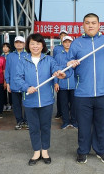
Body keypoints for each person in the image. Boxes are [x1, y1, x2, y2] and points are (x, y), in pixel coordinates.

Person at [67, 13, 104, 164]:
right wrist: (68, 65)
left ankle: (101, 150)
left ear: (99, 25)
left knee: (101, 124)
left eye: (93, 23)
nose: (90, 25)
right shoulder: (76, 44)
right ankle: (83, 151)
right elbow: (68, 67)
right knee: (83, 125)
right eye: (87, 23)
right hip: (82, 93)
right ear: (83, 25)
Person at [15, 33, 66, 166]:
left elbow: (56, 69)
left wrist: (58, 73)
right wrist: (27, 87)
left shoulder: (49, 60)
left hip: (46, 100)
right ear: (28, 45)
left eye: (38, 43)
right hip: (30, 100)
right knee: (33, 127)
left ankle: (45, 150)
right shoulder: (23, 60)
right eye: (32, 43)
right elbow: (17, 78)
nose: (35, 46)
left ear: (43, 45)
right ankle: (36, 151)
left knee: (45, 126)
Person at [5, 36, 28, 130]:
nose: (19, 44)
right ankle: (19, 121)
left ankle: (27, 121)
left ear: (24, 44)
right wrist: (8, 83)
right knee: (16, 105)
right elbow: (7, 70)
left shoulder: (28, 55)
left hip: (26, 85)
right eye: (17, 42)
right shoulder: (10, 56)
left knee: (27, 103)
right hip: (14, 84)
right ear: (14, 44)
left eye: (21, 42)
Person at [54, 35, 77, 129]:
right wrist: (56, 82)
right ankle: (66, 121)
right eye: (65, 42)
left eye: (69, 42)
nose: (67, 44)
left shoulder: (75, 55)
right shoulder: (58, 55)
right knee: (63, 105)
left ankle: (74, 121)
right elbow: (55, 69)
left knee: (74, 104)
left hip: (74, 84)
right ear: (62, 43)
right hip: (62, 84)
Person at [2, 42, 12, 111]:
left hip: (10, 76)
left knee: (10, 91)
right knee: (3, 91)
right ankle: (5, 104)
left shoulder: (11, 56)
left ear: (9, 48)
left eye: (6, 47)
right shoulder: (1, 56)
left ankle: (11, 104)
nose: (5, 48)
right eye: (4, 47)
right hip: (2, 76)